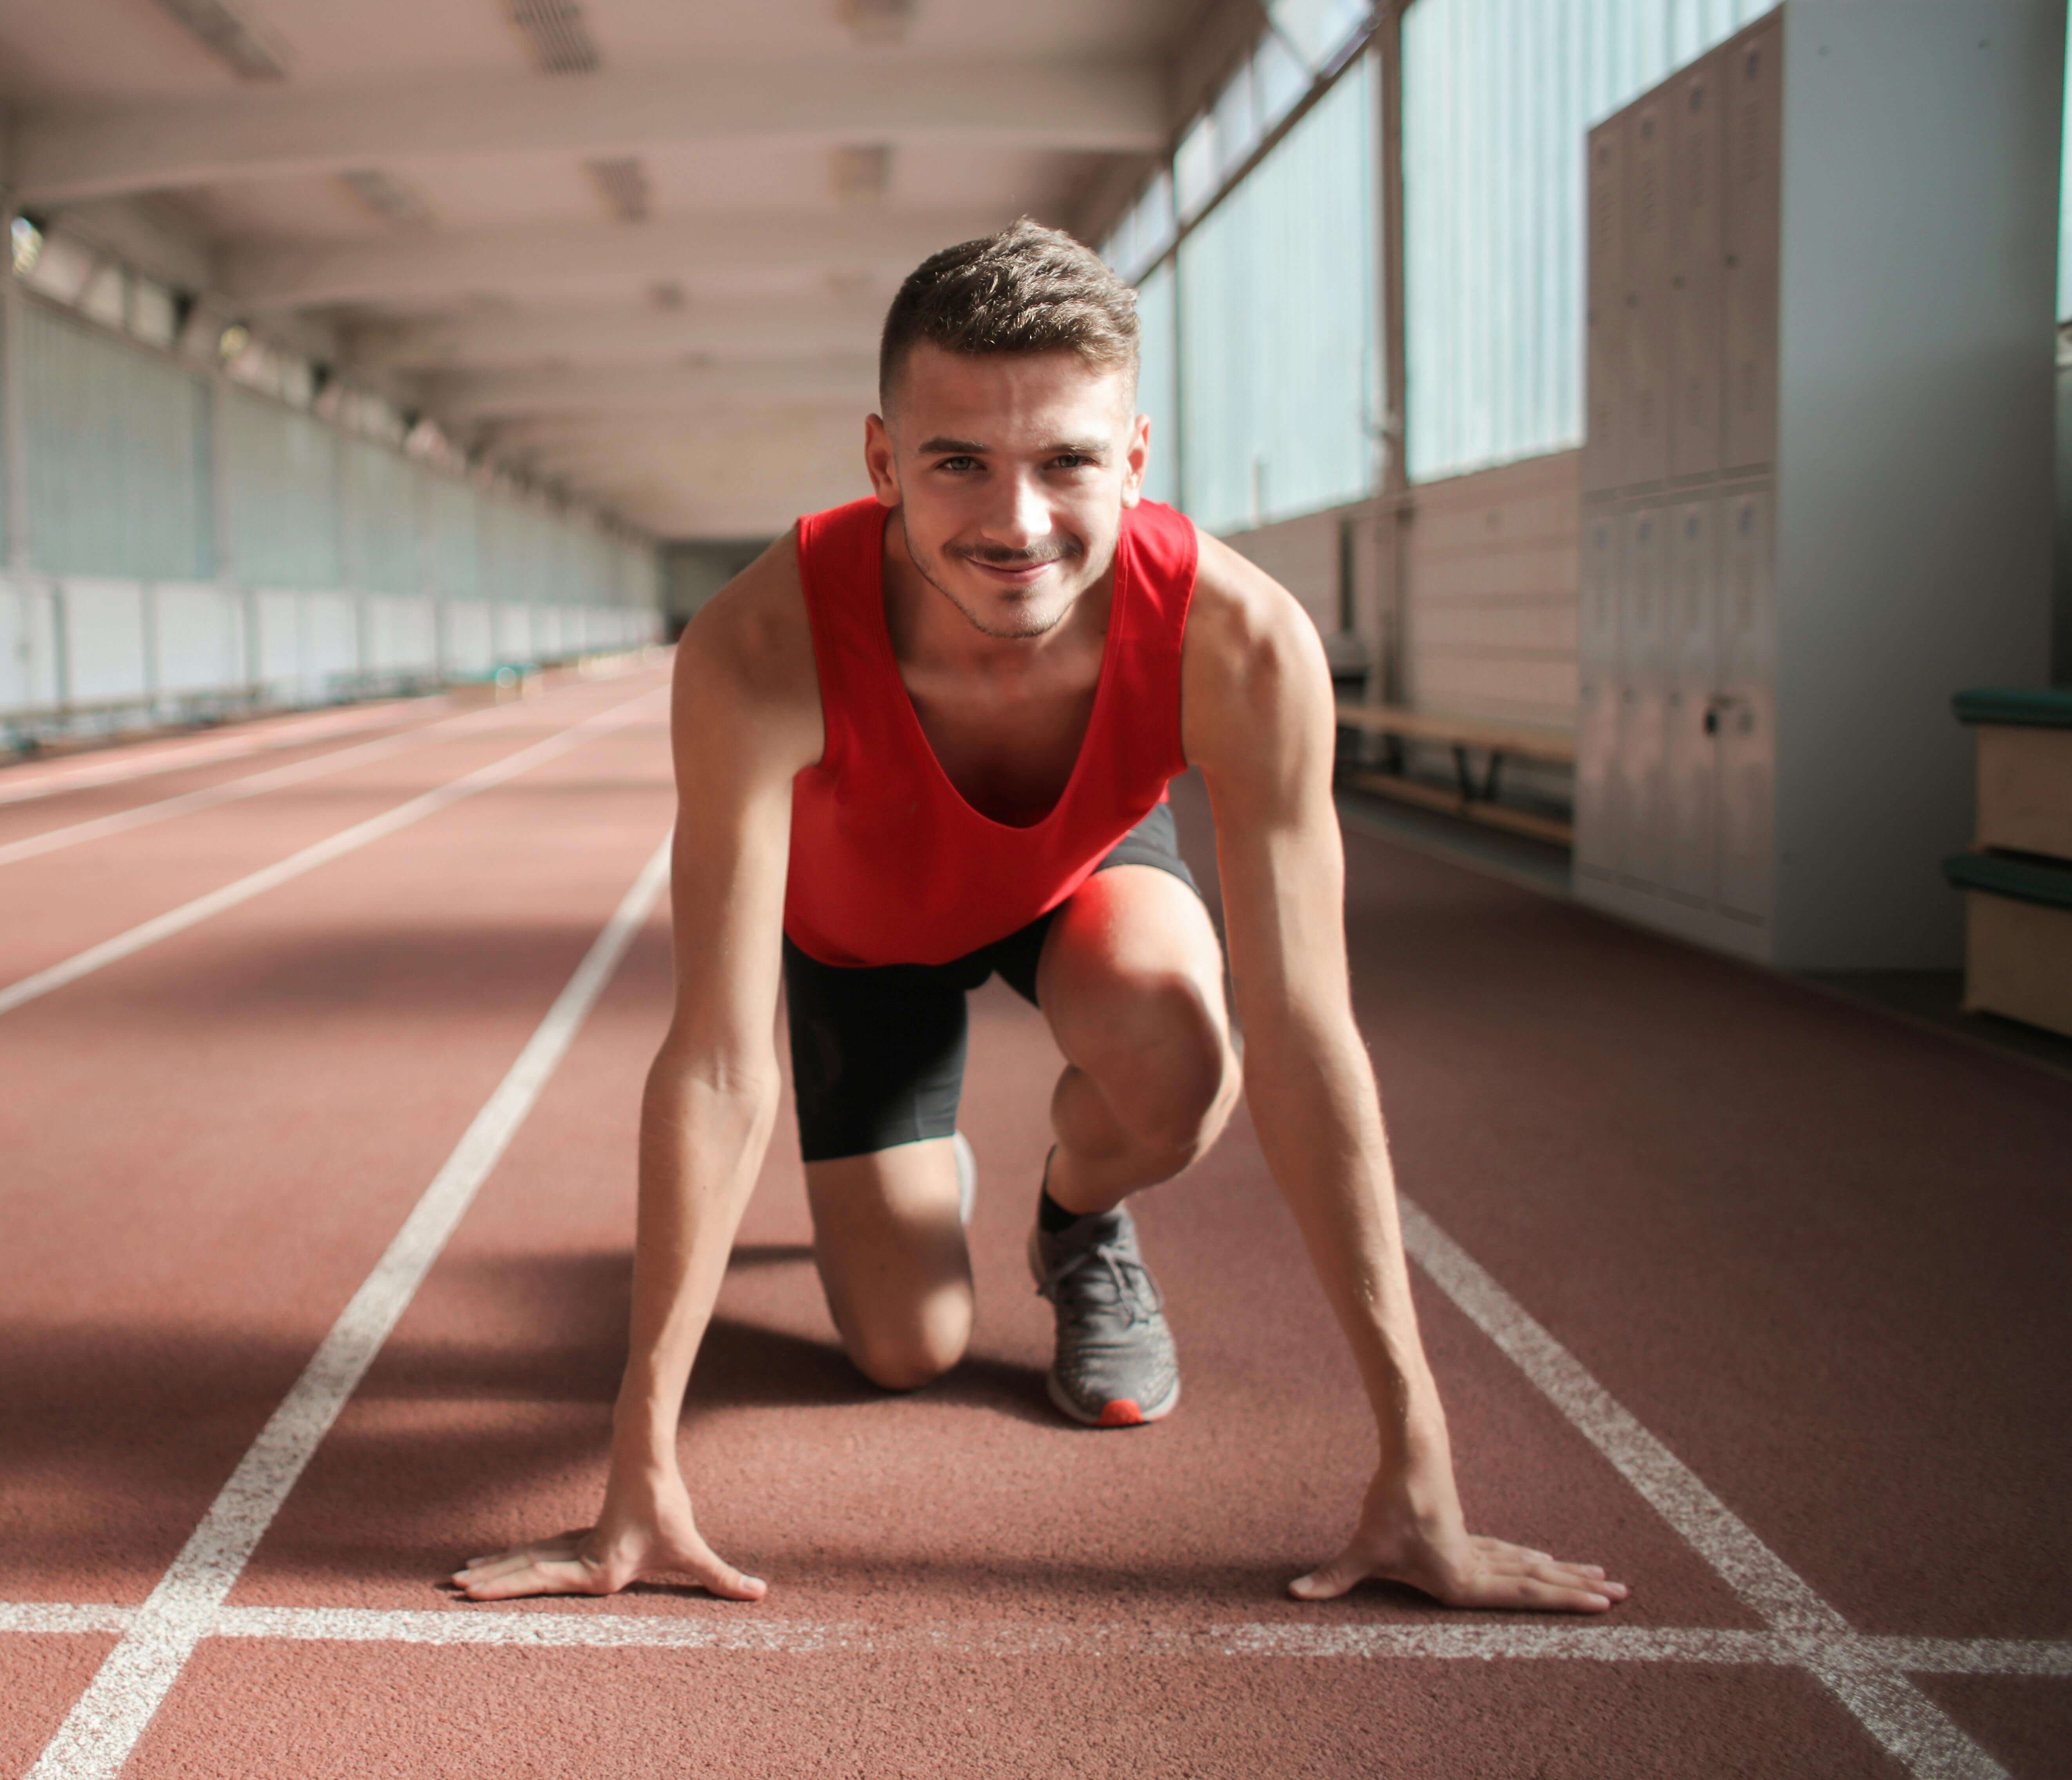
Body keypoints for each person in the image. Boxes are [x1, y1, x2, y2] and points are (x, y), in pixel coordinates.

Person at [452, 221, 1625, 1616]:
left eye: (1067, 461)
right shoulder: (759, 648)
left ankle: (1077, 1223)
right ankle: (917, 1182)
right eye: (960, 463)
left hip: (1081, 878)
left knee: (1189, 1055)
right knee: (905, 1348)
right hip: (863, 938)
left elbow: (1311, 1037)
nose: (1016, 524)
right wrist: (637, 1467)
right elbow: (715, 1057)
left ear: (1134, 456)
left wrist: (1418, 1462)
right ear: (884, 462)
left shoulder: (1239, 642)